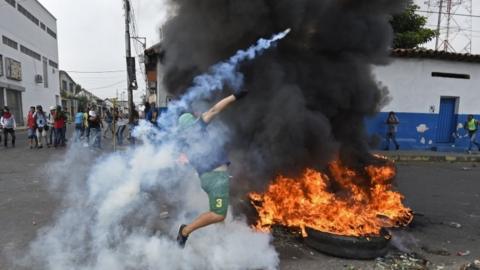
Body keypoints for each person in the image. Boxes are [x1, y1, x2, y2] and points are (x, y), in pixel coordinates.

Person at [176, 90, 247, 248]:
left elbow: (183, 162)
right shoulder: (197, 127)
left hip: (206, 179)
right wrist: (234, 96)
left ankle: (220, 244)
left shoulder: (182, 141)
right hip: (216, 179)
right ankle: (185, 231)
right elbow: (215, 110)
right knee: (218, 214)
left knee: (219, 209)